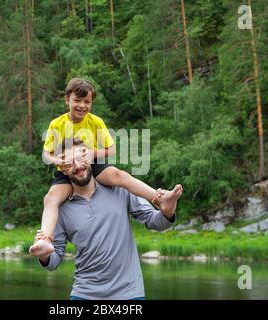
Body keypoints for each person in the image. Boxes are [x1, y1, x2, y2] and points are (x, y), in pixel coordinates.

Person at [29, 78, 179, 256]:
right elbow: (46, 153)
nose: (82, 106)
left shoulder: (95, 122)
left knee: (121, 176)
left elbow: (112, 149)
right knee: (50, 199)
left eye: (87, 102)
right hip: (67, 170)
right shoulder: (57, 124)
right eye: (77, 100)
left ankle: (158, 197)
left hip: (94, 165)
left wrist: (93, 154)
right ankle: (44, 239)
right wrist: (57, 161)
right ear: (67, 99)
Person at [36, 138, 183, 300]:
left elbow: (154, 221)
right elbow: (54, 259)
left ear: (91, 158)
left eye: (80, 159)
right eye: (70, 163)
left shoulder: (120, 189)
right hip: (84, 294)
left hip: (130, 294)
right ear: (63, 170)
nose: (78, 166)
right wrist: (44, 255)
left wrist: (168, 211)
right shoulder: (60, 209)